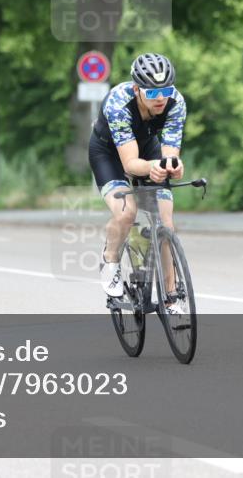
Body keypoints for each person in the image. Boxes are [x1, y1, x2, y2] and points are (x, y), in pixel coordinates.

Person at [87, 53, 186, 311]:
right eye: (152, 93)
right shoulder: (118, 104)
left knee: (165, 221)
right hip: (108, 154)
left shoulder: (176, 102)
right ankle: (110, 260)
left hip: (147, 148)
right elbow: (130, 164)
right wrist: (154, 167)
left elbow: (170, 151)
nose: (161, 98)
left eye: (166, 90)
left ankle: (171, 294)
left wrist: (171, 165)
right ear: (136, 89)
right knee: (127, 212)